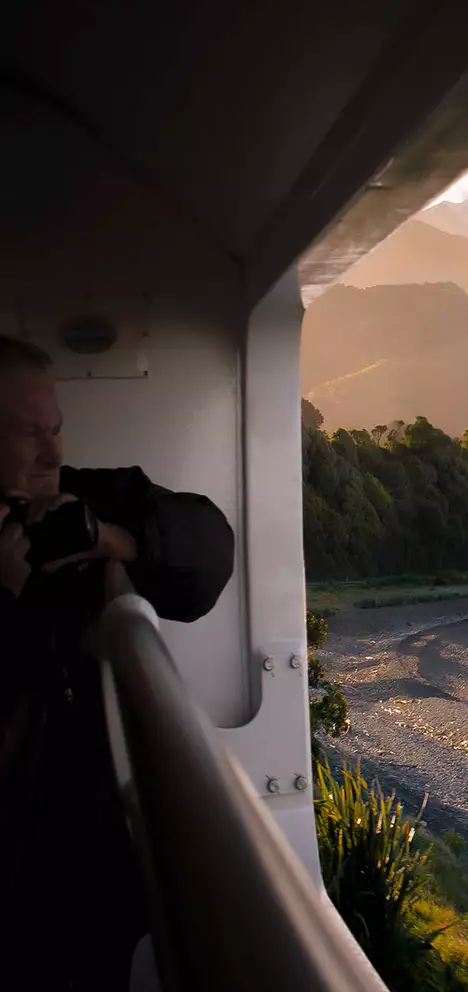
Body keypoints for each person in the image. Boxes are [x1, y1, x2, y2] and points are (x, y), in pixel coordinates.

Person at [0, 334, 235, 988]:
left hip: (86, 888)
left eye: (57, 430)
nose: (53, 452)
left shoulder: (78, 501)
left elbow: (211, 552)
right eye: (28, 434)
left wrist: (111, 539)